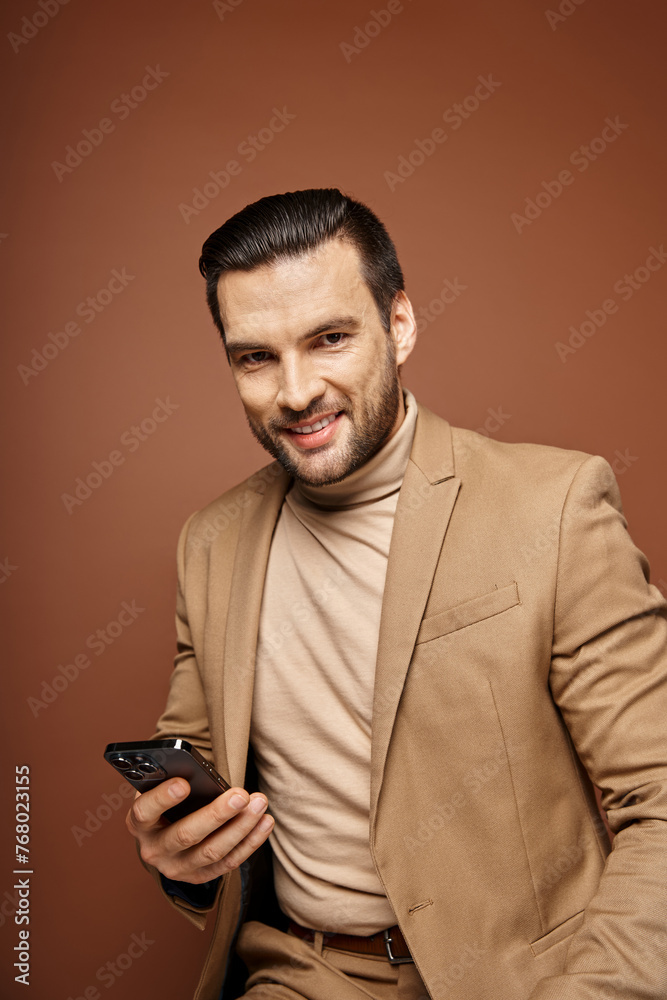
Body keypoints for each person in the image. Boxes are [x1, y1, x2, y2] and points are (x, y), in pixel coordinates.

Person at [125, 188, 667, 1000]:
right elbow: (196, 782)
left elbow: (659, 799)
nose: (295, 392)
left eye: (329, 339)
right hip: (303, 975)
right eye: (256, 357)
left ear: (400, 324)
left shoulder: (553, 507)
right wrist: (180, 860)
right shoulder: (210, 542)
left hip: (525, 981)